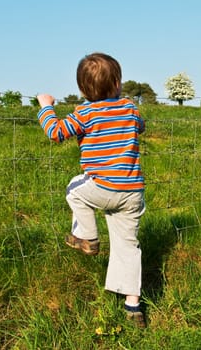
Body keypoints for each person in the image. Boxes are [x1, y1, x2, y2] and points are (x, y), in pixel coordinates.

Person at [36, 52, 146, 328]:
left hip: (102, 186)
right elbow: (140, 127)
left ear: (83, 89)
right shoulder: (130, 109)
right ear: (118, 82)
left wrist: (45, 106)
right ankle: (133, 306)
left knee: (74, 188)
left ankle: (87, 236)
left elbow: (56, 132)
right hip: (132, 192)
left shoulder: (85, 112)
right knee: (128, 246)